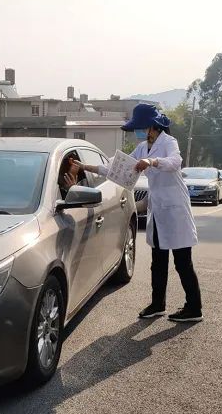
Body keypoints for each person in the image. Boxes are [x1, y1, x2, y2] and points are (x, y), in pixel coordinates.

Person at [74, 103, 202, 322]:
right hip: (159, 211)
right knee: (158, 261)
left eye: (141, 128)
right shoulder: (143, 147)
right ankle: (157, 304)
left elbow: (175, 162)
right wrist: (85, 167)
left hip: (175, 210)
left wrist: (151, 162)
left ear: (152, 126)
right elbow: (117, 167)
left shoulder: (168, 142)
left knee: (182, 262)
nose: (138, 132)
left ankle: (194, 308)